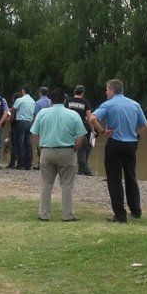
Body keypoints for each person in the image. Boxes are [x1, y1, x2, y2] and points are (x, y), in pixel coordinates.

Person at [89, 79, 147, 223]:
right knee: (131, 177)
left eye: (107, 89)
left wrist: (102, 131)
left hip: (115, 143)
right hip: (130, 144)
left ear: (112, 90)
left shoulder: (108, 104)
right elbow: (145, 126)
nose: (106, 92)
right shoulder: (135, 104)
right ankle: (136, 210)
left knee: (114, 179)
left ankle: (120, 215)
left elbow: (92, 118)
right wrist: (136, 139)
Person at [30, 88, 87, 222]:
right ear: (65, 100)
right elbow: (81, 136)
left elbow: (34, 134)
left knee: (46, 184)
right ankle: (68, 214)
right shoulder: (73, 114)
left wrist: (40, 149)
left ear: (50, 100)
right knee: (67, 185)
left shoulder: (43, 113)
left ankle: (44, 214)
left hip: (47, 151)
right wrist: (75, 149)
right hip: (67, 151)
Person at [65, 84, 94, 176]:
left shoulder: (68, 101)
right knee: (83, 148)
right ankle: (87, 171)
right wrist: (93, 130)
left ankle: (79, 170)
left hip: (69, 129)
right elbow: (89, 118)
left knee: (68, 149)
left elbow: (64, 114)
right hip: (80, 129)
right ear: (83, 93)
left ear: (75, 91)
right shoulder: (85, 102)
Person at [11, 85, 36, 170]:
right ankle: (28, 164)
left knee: (20, 143)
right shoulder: (33, 101)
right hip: (30, 122)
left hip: (21, 122)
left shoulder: (19, 100)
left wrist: (11, 120)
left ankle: (20, 164)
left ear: (23, 90)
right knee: (28, 143)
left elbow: (13, 110)